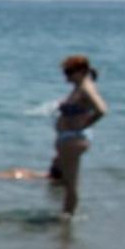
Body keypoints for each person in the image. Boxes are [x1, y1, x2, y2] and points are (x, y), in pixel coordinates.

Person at [53, 54, 107, 215]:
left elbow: (102, 109)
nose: (66, 76)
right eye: (65, 72)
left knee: (71, 184)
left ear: (82, 71)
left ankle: (66, 221)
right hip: (69, 138)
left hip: (73, 139)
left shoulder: (86, 88)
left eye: (69, 72)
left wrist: (85, 124)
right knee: (64, 180)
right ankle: (66, 215)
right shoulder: (80, 87)